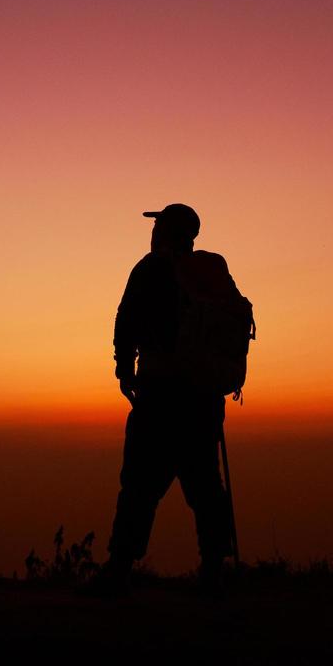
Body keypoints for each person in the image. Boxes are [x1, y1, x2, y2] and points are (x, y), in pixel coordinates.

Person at [91, 202, 244, 596]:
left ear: (165, 231)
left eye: (158, 225)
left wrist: (124, 370)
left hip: (159, 392)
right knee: (205, 483)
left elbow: (126, 320)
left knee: (140, 483)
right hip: (203, 397)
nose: (153, 231)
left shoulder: (151, 268)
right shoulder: (209, 275)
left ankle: (119, 569)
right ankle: (213, 569)